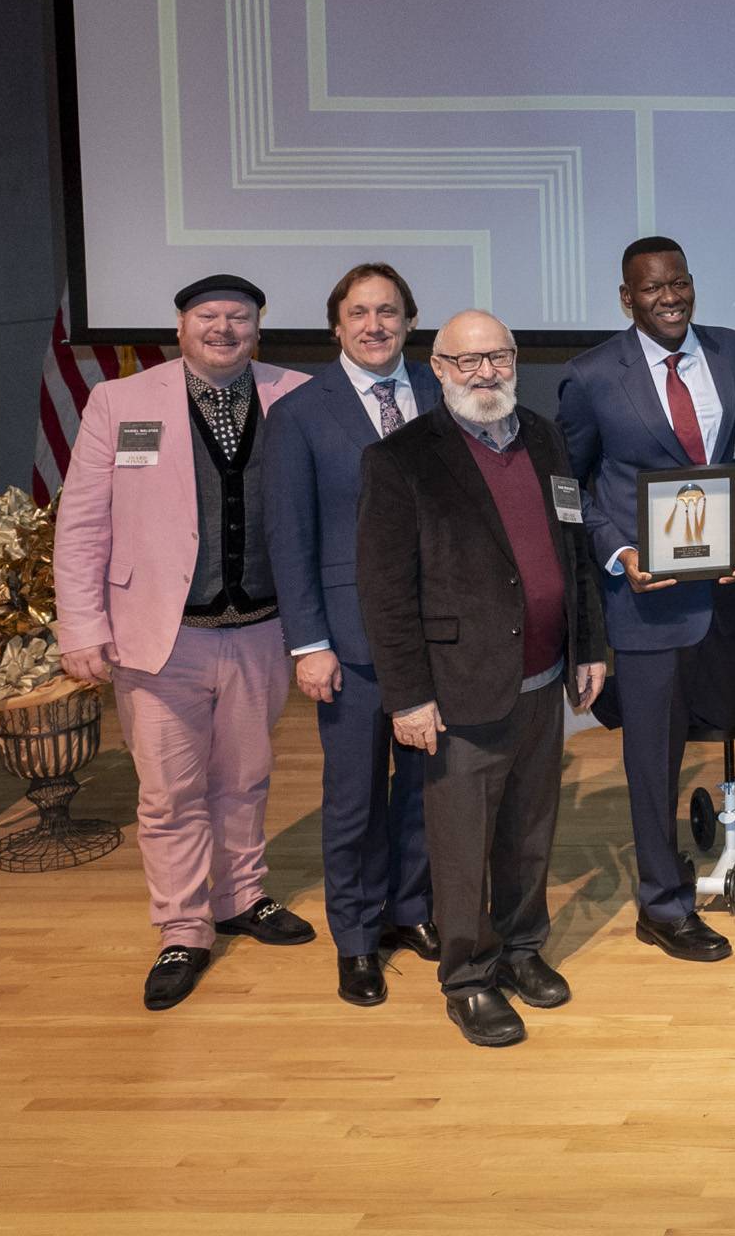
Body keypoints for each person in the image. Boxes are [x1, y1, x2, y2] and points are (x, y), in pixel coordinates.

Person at [52, 274, 315, 1010]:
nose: (224, 328)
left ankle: (241, 897)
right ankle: (182, 928)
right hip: (159, 637)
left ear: (259, 329)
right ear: (180, 324)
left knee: (246, 778)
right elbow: (81, 528)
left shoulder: (297, 394)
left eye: (240, 317)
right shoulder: (120, 403)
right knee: (169, 795)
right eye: (209, 316)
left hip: (264, 628)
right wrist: (81, 627)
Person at [355, 311, 608, 1048]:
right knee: (463, 847)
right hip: (458, 690)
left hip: (543, 677)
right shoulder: (400, 460)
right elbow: (386, 594)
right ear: (436, 369)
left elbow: (575, 549)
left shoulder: (544, 435)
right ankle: (468, 978)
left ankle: (523, 950)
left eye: (496, 357)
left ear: (516, 359)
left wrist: (588, 645)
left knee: (530, 833)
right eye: (465, 362)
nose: (483, 373)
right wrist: (407, 696)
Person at [555, 235, 735, 962]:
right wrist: (619, 552)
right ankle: (662, 903)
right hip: (647, 605)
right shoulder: (590, 377)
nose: (669, 297)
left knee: (725, 720)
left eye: (679, 282)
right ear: (627, 298)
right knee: (651, 761)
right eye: (652, 288)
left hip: (730, 597)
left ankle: (695, 849)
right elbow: (569, 488)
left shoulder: (734, 353)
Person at [260, 262, 444, 1005]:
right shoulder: (301, 413)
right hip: (347, 641)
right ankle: (358, 938)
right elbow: (289, 536)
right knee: (355, 797)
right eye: (360, 313)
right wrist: (308, 644)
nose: (375, 326)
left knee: (425, 789)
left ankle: (411, 909)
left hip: (435, 633)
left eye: (390, 312)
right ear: (336, 325)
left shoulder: (441, 394)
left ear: (409, 322)